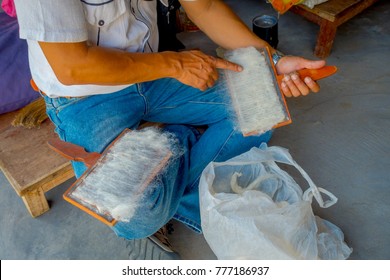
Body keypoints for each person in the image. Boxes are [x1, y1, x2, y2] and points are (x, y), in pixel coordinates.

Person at [13, 0, 326, 259]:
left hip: (152, 69)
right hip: (84, 96)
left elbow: (204, 7)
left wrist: (272, 62)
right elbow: (71, 65)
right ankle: (174, 156)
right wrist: (176, 65)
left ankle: (172, 171)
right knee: (134, 217)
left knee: (262, 107)